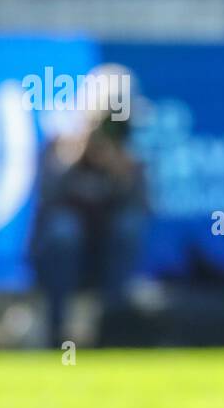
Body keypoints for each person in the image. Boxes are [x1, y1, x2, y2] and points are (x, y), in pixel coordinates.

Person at [29, 102, 148, 347]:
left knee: (128, 227)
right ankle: (57, 329)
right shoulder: (61, 148)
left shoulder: (130, 161)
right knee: (64, 230)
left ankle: (113, 325)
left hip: (103, 254)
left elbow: (142, 209)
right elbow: (45, 198)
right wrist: (76, 155)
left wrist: (119, 171)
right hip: (60, 258)